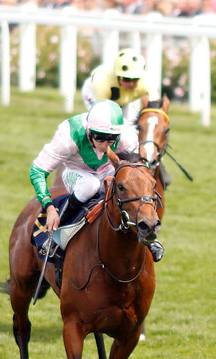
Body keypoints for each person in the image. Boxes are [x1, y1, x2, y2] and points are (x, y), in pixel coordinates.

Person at [29, 100, 165, 265]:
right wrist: (49, 207)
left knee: (128, 191)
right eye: (100, 138)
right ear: (89, 130)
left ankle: (148, 238)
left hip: (110, 170)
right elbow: (37, 171)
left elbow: (136, 173)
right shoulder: (69, 135)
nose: (105, 144)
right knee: (90, 186)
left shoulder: (126, 135)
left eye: (111, 139)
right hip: (76, 172)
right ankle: (56, 232)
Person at [81, 48, 161, 126]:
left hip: (123, 99)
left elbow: (154, 107)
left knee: (131, 126)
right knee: (103, 124)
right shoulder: (102, 82)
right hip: (94, 92)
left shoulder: (147, 82)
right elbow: (102, 111)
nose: (131, 84)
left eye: (136, 79)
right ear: (117, 76)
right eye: (127, 79)